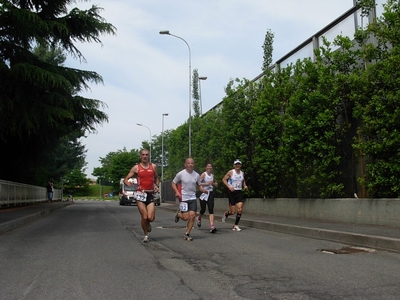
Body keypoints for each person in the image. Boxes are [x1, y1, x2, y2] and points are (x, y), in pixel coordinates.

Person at [124, 149, 159, 243]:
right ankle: (146, 235)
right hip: (140, 194)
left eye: (147, 155)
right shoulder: (136, 168)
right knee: (144, 217)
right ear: (140, 156)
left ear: (149, 156)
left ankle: (148, 223)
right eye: (143, 155)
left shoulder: (153, 166)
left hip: (150, 194)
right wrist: (128, 184)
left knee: (150, 218)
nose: (145, 156)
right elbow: (126, 179)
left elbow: (156, 178)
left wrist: (156, 185)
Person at [171, 158, 205, 241]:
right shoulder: (181, 174)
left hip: (192, 198)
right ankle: (179, 214)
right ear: (185, 164)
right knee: (186, 218)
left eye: (192, 163)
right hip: (183, 198)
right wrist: (176, 192)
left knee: (192, 216)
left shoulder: (196, 175)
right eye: (188, 163)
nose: (190, 164)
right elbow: (173, 183)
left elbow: (199, 185)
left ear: (193, 164)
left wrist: (202, 190)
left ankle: (187, 234)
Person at [222, 159, 248, 231]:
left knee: (240, 209)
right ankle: (226, 214)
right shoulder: (231, 172)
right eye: (236, 164)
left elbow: (243, 181)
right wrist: (229, 186)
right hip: (231, 193)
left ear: (241, 165)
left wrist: (245, 186)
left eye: (239, 164)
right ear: (234, 165)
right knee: (232, 212)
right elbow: (224, 179)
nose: (237, 165)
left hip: (239, 192)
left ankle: (235, 225)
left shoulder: (242, 173)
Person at [197, 163, 218, 233]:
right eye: (208, 166)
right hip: (204, 193)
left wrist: (215, 184)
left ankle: (212, 226)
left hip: (210, 193)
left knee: (211, 209)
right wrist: (206, 184)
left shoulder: (213, 175)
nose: (209, 167)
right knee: (203, 209)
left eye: (210, 166)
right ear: (206, 167)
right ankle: (199, 218)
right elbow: (198, 183)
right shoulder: (204, 174)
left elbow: (215, 184)